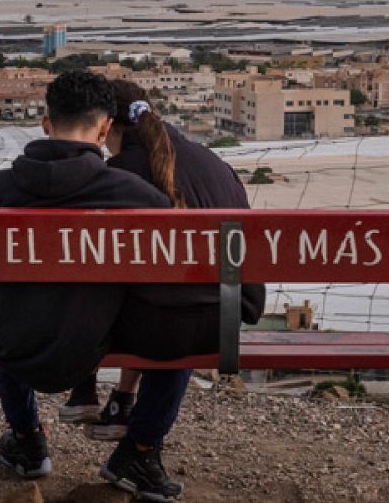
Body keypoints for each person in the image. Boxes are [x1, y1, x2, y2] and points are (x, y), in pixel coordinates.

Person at [0, 70, 181, 491]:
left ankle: (27, 441)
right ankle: (139, 453)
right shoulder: (139, 198)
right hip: (95, 346)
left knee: (0, 311)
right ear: (105, 127)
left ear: (46, 123)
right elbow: (158, 292)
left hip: (11, 345)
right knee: (171, 328)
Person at [59, 79, 266, 500]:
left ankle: (74, 408)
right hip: (221, 323)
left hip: (163, 329)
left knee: (139, 304)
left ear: (107, 126)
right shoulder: (213, 162)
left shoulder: (112, 178)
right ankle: (139, 446)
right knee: (179, 309)